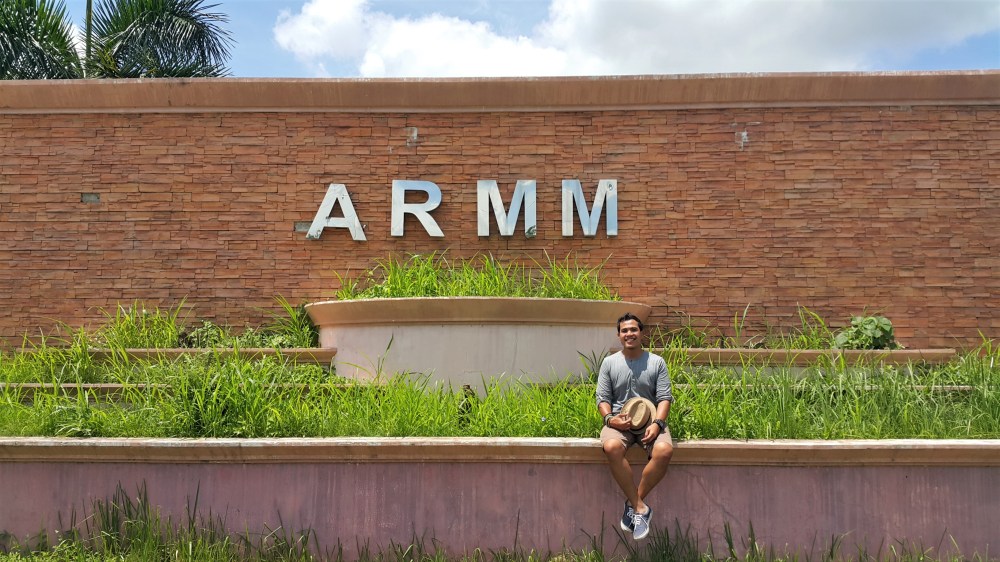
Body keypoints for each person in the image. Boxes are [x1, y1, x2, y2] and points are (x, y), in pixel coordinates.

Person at [596, 312, 674, 541]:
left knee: (664, 451)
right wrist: (611, 419)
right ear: (619, 335)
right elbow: (602, 398)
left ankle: (634, 504)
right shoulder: (609, 363)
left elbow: (664, 397)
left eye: (633, 329)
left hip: (651, 420)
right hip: (619, 422)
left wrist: (658, 424)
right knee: (611, 447)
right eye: (624, 330)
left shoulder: (656, 362)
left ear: (641, 333)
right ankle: (641, 508)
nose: (629, 334)